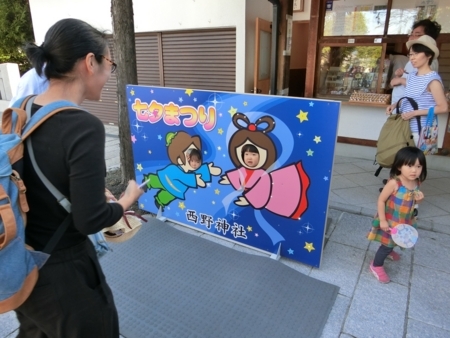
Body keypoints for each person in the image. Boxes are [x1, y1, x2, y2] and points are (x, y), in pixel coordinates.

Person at [14, 18, 143, 337]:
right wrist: (126, 200)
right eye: (109, 62)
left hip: (21, 266)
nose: (108, 73)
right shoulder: (82, 126)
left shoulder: (23, 108)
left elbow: (34, 172)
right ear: (90, 62)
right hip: (64, 272)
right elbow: (90, 220)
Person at [367, 147, 426, 283]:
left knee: (397, 239)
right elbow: (381, 200)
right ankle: (376, 265)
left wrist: (419, 199)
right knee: (387, 244)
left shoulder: (416, 182)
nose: (414, 170)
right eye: (410, 165)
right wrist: (382, 220)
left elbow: (415, 202)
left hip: (405, 220)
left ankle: (389, 249)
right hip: (390, 220)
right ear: (399, 166)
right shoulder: (394, 183)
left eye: (418, 166)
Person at [386, 35, 448, 146]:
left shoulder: (432, 80)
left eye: (417, 54)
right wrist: (395, 104)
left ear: (428, 55)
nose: (412, 58)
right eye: (411, 54)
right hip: (404, 127)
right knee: (401, 162)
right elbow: (411, 98)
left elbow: (443, 107)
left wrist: (415, 113)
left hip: (421, 131)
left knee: (413, 163)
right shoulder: (412, 76)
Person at [390, 19, 441, 109]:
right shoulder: (414, 60)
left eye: (417, 35)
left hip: (413, 112)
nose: (411, 38)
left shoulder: (429, 61)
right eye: (411, 34)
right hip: (402, 108)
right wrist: (400, 76)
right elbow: (414, 82)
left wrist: (401, 80)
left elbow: (424, 87)